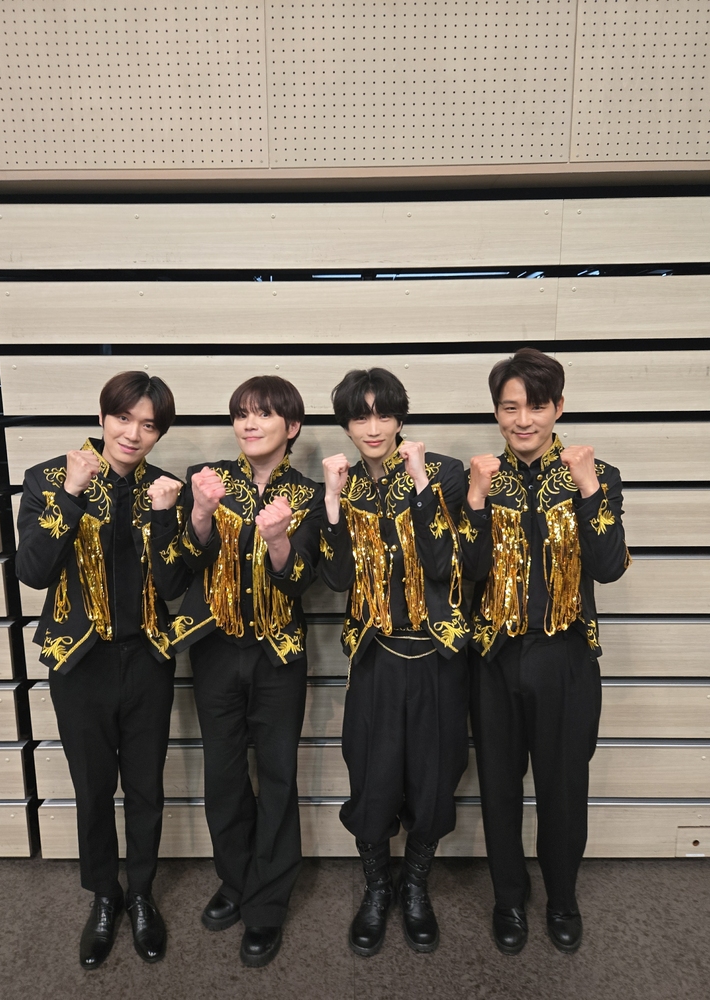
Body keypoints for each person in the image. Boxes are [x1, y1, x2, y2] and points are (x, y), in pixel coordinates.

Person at [16, 371, 186, 970]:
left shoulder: (164, 488)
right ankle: (104, 896)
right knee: (92, 788)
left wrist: (166, 517)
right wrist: (70, 493)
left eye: (148, 425)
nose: (133, 433)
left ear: (158, 433)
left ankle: (140, 893)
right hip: (79, 660)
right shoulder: (46, 479)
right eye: (123, 418)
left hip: (147, 659)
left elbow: (175, 585)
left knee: (145, 787)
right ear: (102, 418)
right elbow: (33, 571)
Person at [463, 347, 631, 956]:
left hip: (566, 657)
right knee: (499, 787)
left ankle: (562, 898)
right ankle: (509, 899)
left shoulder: (598, 473)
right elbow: (467, 573)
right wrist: (476, 501)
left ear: (558, 407)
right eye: (510, 408)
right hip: (496, 656)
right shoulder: (479, 478)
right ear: (497, 413)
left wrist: (588, 489)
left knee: (564, 786)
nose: (524, 419)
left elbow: (609, 567)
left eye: (536, 406)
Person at [319, 367, 485, 957]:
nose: (373, 427)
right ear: (346, 424)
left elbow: (444, 565)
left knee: (435, 777)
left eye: (383, 414)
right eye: (360, 416)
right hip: (376, 656)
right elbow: (336, 577)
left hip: (439, 654)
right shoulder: (339, 484)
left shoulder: (444, 471)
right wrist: (331, 501)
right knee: (372, 773)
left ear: (400, 419)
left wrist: (418, 484)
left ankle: (415, 886)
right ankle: (376, 887)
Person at [167, 375, 323, 969]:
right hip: (214, 648)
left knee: (278, 775)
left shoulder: (308, 495)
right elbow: (183, 565)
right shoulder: (205, 479)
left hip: (278, 654)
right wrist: (201, 516)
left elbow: (302, 579)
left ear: (293, 426)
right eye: (241, 414)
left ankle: (267, 903)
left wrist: (279, 541)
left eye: (263, 414)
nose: (249, 424)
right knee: (225, 773)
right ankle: (235, 881)